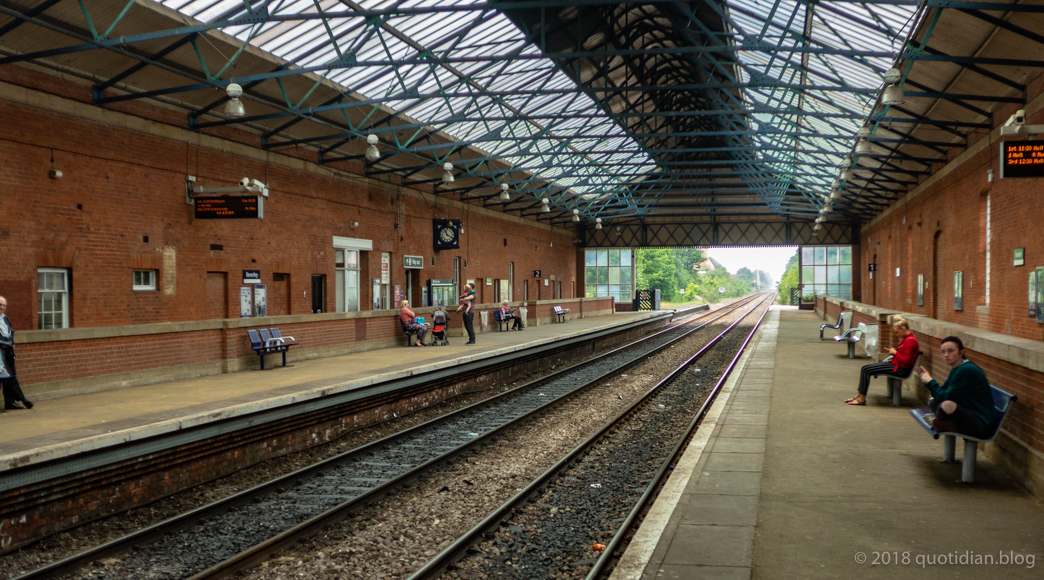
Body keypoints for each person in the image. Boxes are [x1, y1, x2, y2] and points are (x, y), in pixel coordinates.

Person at [917, 336, 996, 437]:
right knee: (933, 400)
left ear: (961, 352)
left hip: (980, 423)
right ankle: (945, 424)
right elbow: (943, 391)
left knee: (947, 405)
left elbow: (946, 397)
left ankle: (945, 424)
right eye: (943, 352)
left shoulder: (966, 370)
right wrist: (929, 381)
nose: (946, 355)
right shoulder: (957, 368)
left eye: (950, 351)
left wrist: (930, 381)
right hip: (966, 414)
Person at [844, 318, 919, 405]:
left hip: (900, 369)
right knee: (865, 368)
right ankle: (858, 395)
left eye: (897, 332)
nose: (896, 335)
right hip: (896, 365)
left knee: (866, 370)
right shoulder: (908, 339)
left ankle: (862, 398)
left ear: (903, 328)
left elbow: (906, 361)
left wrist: (895, 353)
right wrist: (894, 352)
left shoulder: (910, 341)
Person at [0, 296, 34, 410]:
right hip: (1, 351)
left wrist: (11, 341)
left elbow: (10, 332)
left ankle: (10, 402)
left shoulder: (5, 318)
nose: (2, 307)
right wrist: (7, 342)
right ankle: (23, 399)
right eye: (0, 304)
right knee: (8, 377)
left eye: (4, 305)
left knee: (10, 375)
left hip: (8, 351)